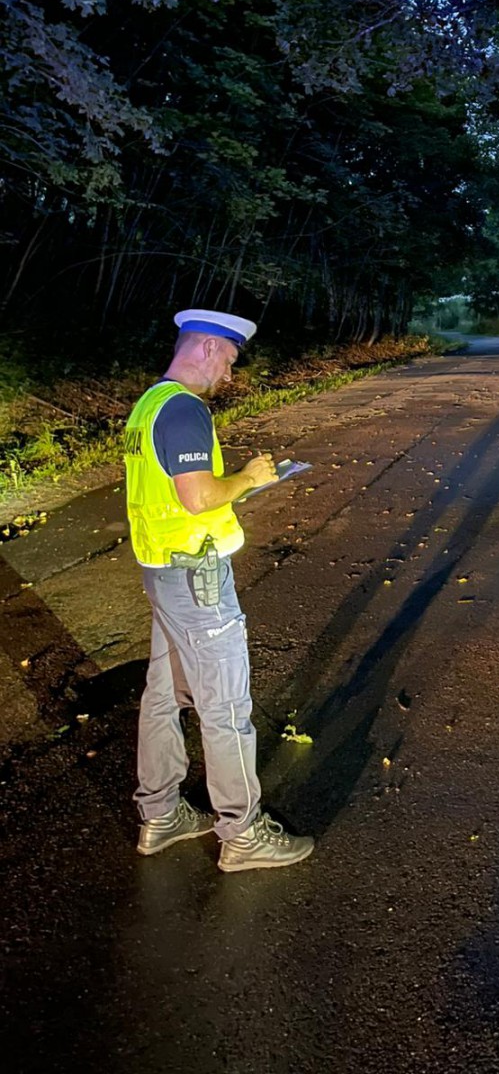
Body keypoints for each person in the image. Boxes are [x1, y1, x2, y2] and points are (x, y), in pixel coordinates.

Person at [124, 308, 314, 872]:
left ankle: (160, 815)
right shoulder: (183, 410)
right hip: (196, 583)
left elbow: (174, 496)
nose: (229, 374)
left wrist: (246, 487)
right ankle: (243, 833)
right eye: (229, 359)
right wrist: (249, 479)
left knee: (162, 696)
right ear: (207, 347)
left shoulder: (148, 404)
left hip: (163, 570)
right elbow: (199, 497)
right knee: (226, 708)